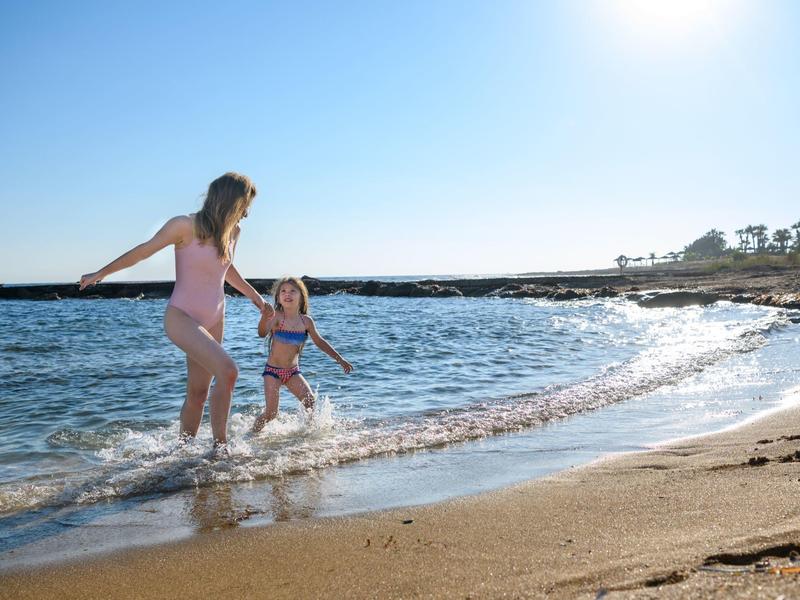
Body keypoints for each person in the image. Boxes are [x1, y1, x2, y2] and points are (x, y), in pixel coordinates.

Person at [79, 172, 270, 447]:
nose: (246, 213)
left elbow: (226, 269)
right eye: (244, 206)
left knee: (198, 394)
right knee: (228, 371)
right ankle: (221, 449)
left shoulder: (234, 232)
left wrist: (255, 297)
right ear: (229, 200)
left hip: (215, 316)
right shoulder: (184, 225)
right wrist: (101, 273)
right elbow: (143, 251)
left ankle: (181, 451)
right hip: (182, 315)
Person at [253, 276, 352, 432]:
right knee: (271, 414)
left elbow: (320, 342)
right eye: (283, 291)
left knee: (310, 402)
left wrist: (340, 359)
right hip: (272, 372)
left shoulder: (306, 321)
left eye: (293, 291)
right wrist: (265, 317)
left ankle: (307, 435)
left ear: (301, 296)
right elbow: (262, 333)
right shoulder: (277, 316)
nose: (287, 294)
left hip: (293, 372)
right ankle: (252, 433)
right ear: (278, 297)